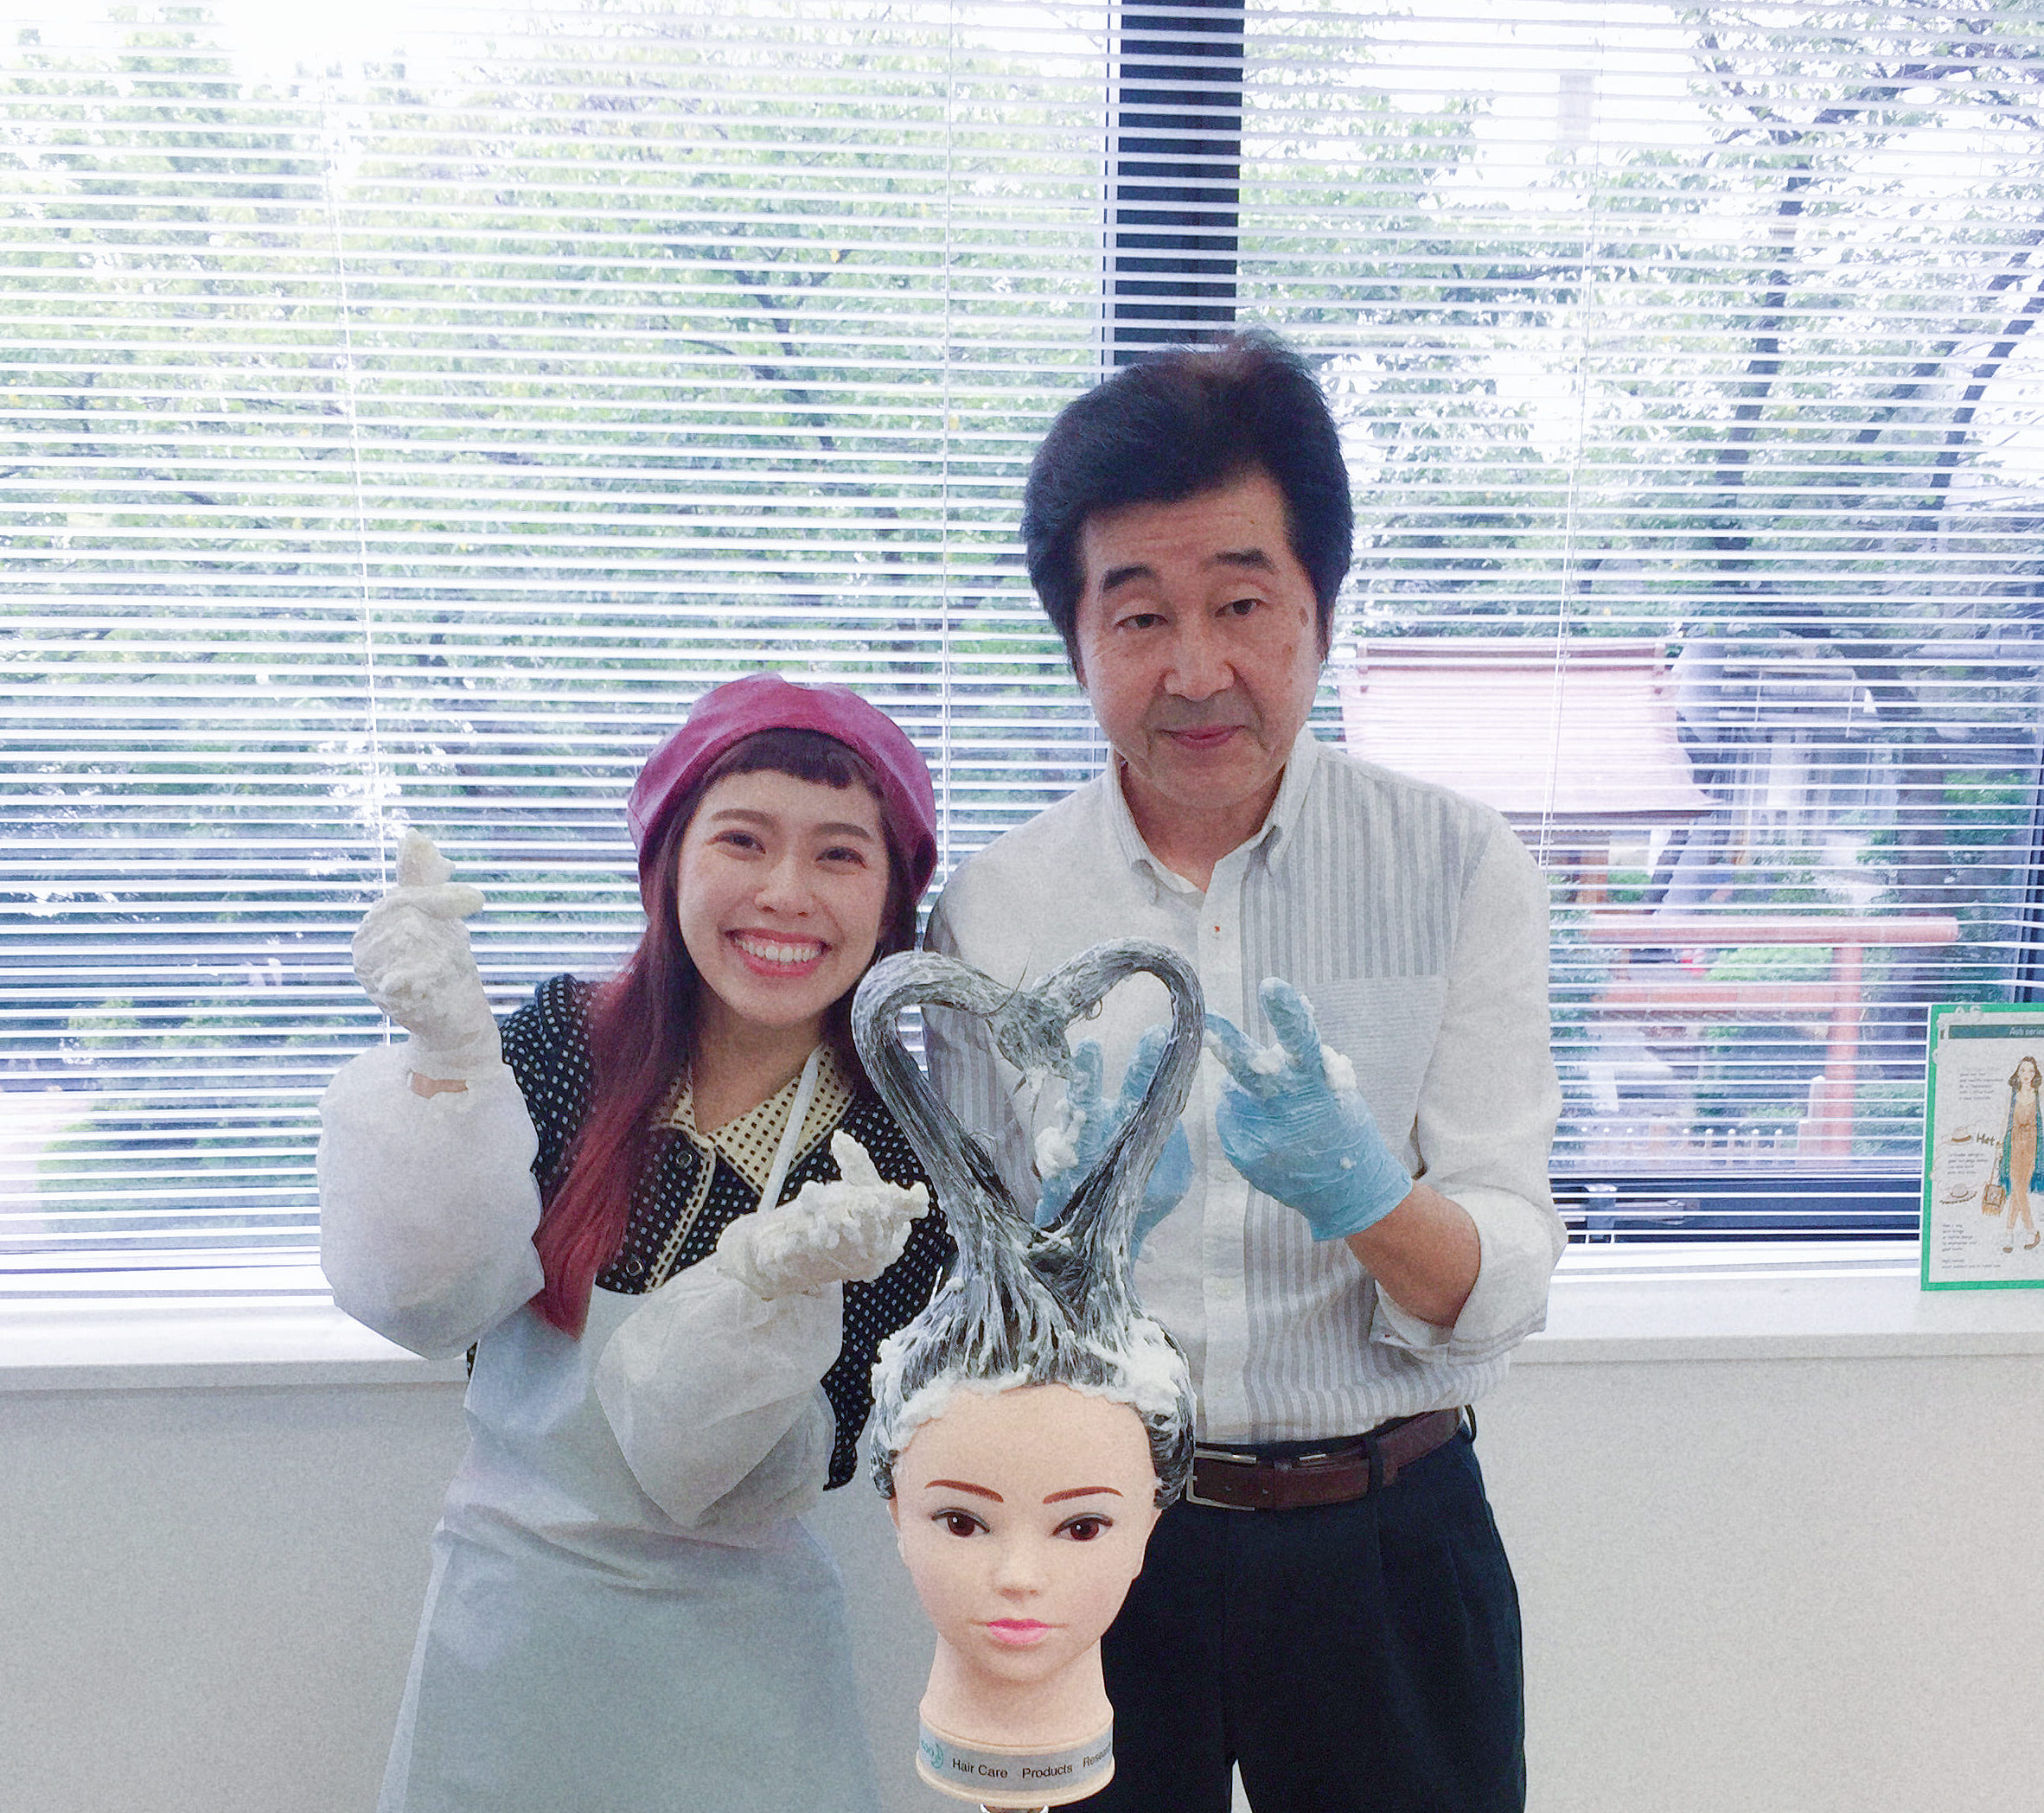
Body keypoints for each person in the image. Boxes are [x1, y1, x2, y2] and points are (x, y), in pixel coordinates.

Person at [923, 331, 1564, 1812]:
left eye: (1241, 602)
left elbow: (1513, 1261)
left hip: (1386, 1537)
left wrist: (1368, 1197)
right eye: (1139, 614)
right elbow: (970, 1294)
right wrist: (1065, 1247)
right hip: (1088, 1533)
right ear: (1077, 638)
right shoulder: (998, 910)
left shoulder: (1457, 866)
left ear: (1321, 611)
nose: (1195, 668)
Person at [317, 672, 954, 1813]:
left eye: (840, 855)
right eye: (743, 840)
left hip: (737, 1674)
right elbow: (426, 1304)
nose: (786, 892)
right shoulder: (563, 1045)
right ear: (669, 863)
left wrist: (774, 1301)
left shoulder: (896, 1165)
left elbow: (790, 1460)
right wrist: (447, 1072)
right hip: (508, 1646)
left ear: (894, 900)